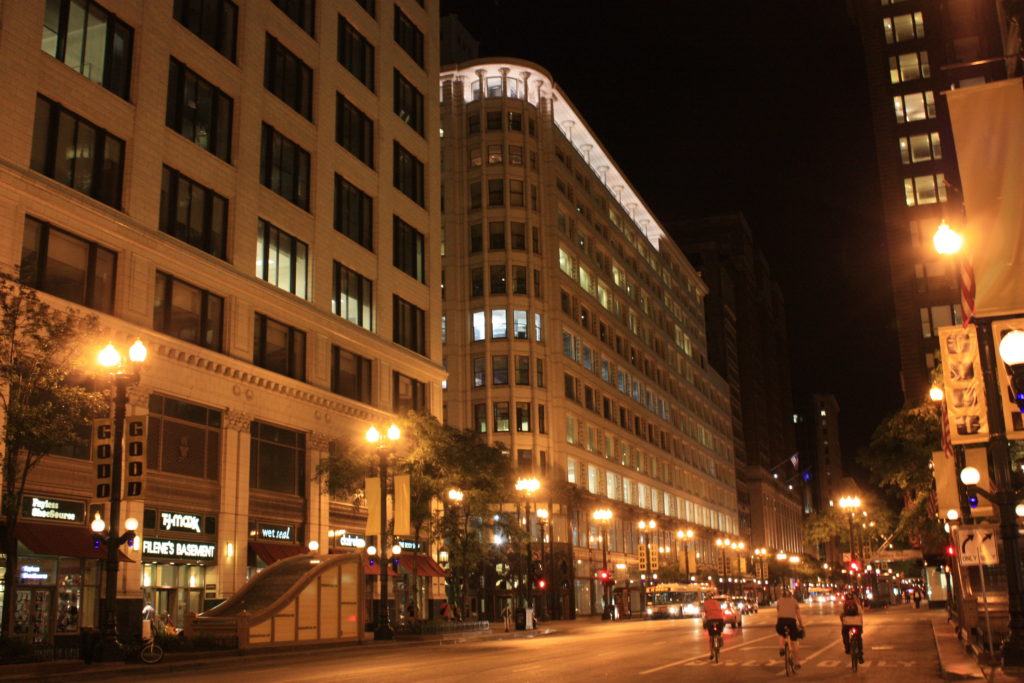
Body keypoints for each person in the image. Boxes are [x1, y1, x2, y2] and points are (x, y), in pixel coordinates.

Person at [775, 588, 804, 670]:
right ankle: (797, 662)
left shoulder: (779, 601)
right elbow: (798, 615)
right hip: (791, 622)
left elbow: (778, 612)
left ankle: (781, 648)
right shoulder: (794, 601)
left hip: (781, 621)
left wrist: (778, 623)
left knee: (781, 633)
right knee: (794, 642)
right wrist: (801, 625)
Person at [840, 591, 865, 660]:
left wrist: (843, 622)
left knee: (844, 633)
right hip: (857, 624)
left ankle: (847, 648)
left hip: (847, 624)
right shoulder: (857, 605)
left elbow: (841, 615)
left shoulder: (844, 605)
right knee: (859, 637)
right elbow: (861, 614)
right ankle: (860, 651)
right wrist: (861, 627)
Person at [701, 594, 726, 662]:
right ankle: (720, 642)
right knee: (720, 632)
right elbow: (721, 611)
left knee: (711, 637)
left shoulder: (705, 604)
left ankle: (712, 653)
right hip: (719, 619)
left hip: (710, 620)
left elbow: (703, 614)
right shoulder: (717, 603)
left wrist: (704, 623)